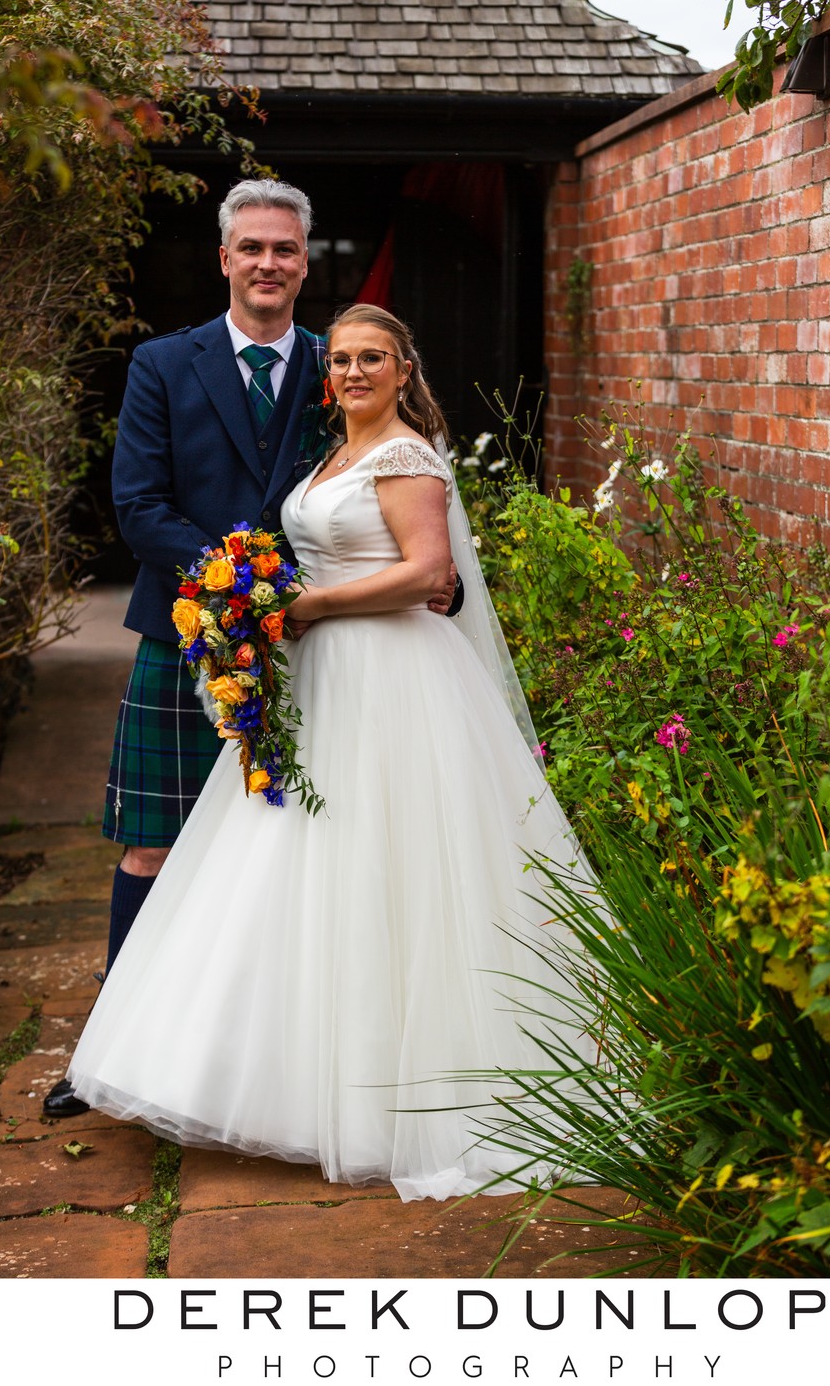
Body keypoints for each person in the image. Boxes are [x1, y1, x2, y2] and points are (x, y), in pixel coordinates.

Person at [65, 305, 599, 1201]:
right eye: (343, 358)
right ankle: (289, 1077)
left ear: (403, 367)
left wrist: (303, 607)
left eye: (372, 358)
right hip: (316, 679)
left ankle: (403, 1087)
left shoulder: (403, 455)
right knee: (301, 862)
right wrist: (260, 597)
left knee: (400, 864)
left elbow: (431, 572)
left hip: (392, 680)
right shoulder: (332, 454)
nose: (353, 371)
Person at [44, 179, 458, 1120]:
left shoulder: (342, 362)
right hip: (191, 630)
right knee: (153, 844)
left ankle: (259, 1052)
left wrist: (438, 574)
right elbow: (139, 505)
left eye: (284, 249)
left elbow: (395, 481)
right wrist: (238, 588)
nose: (268, 263)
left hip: (312, 648)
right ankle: (109, 1049)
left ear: (302, 262)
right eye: (251, 248)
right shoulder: (161, 362)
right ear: (224, 258)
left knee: (285, 848)